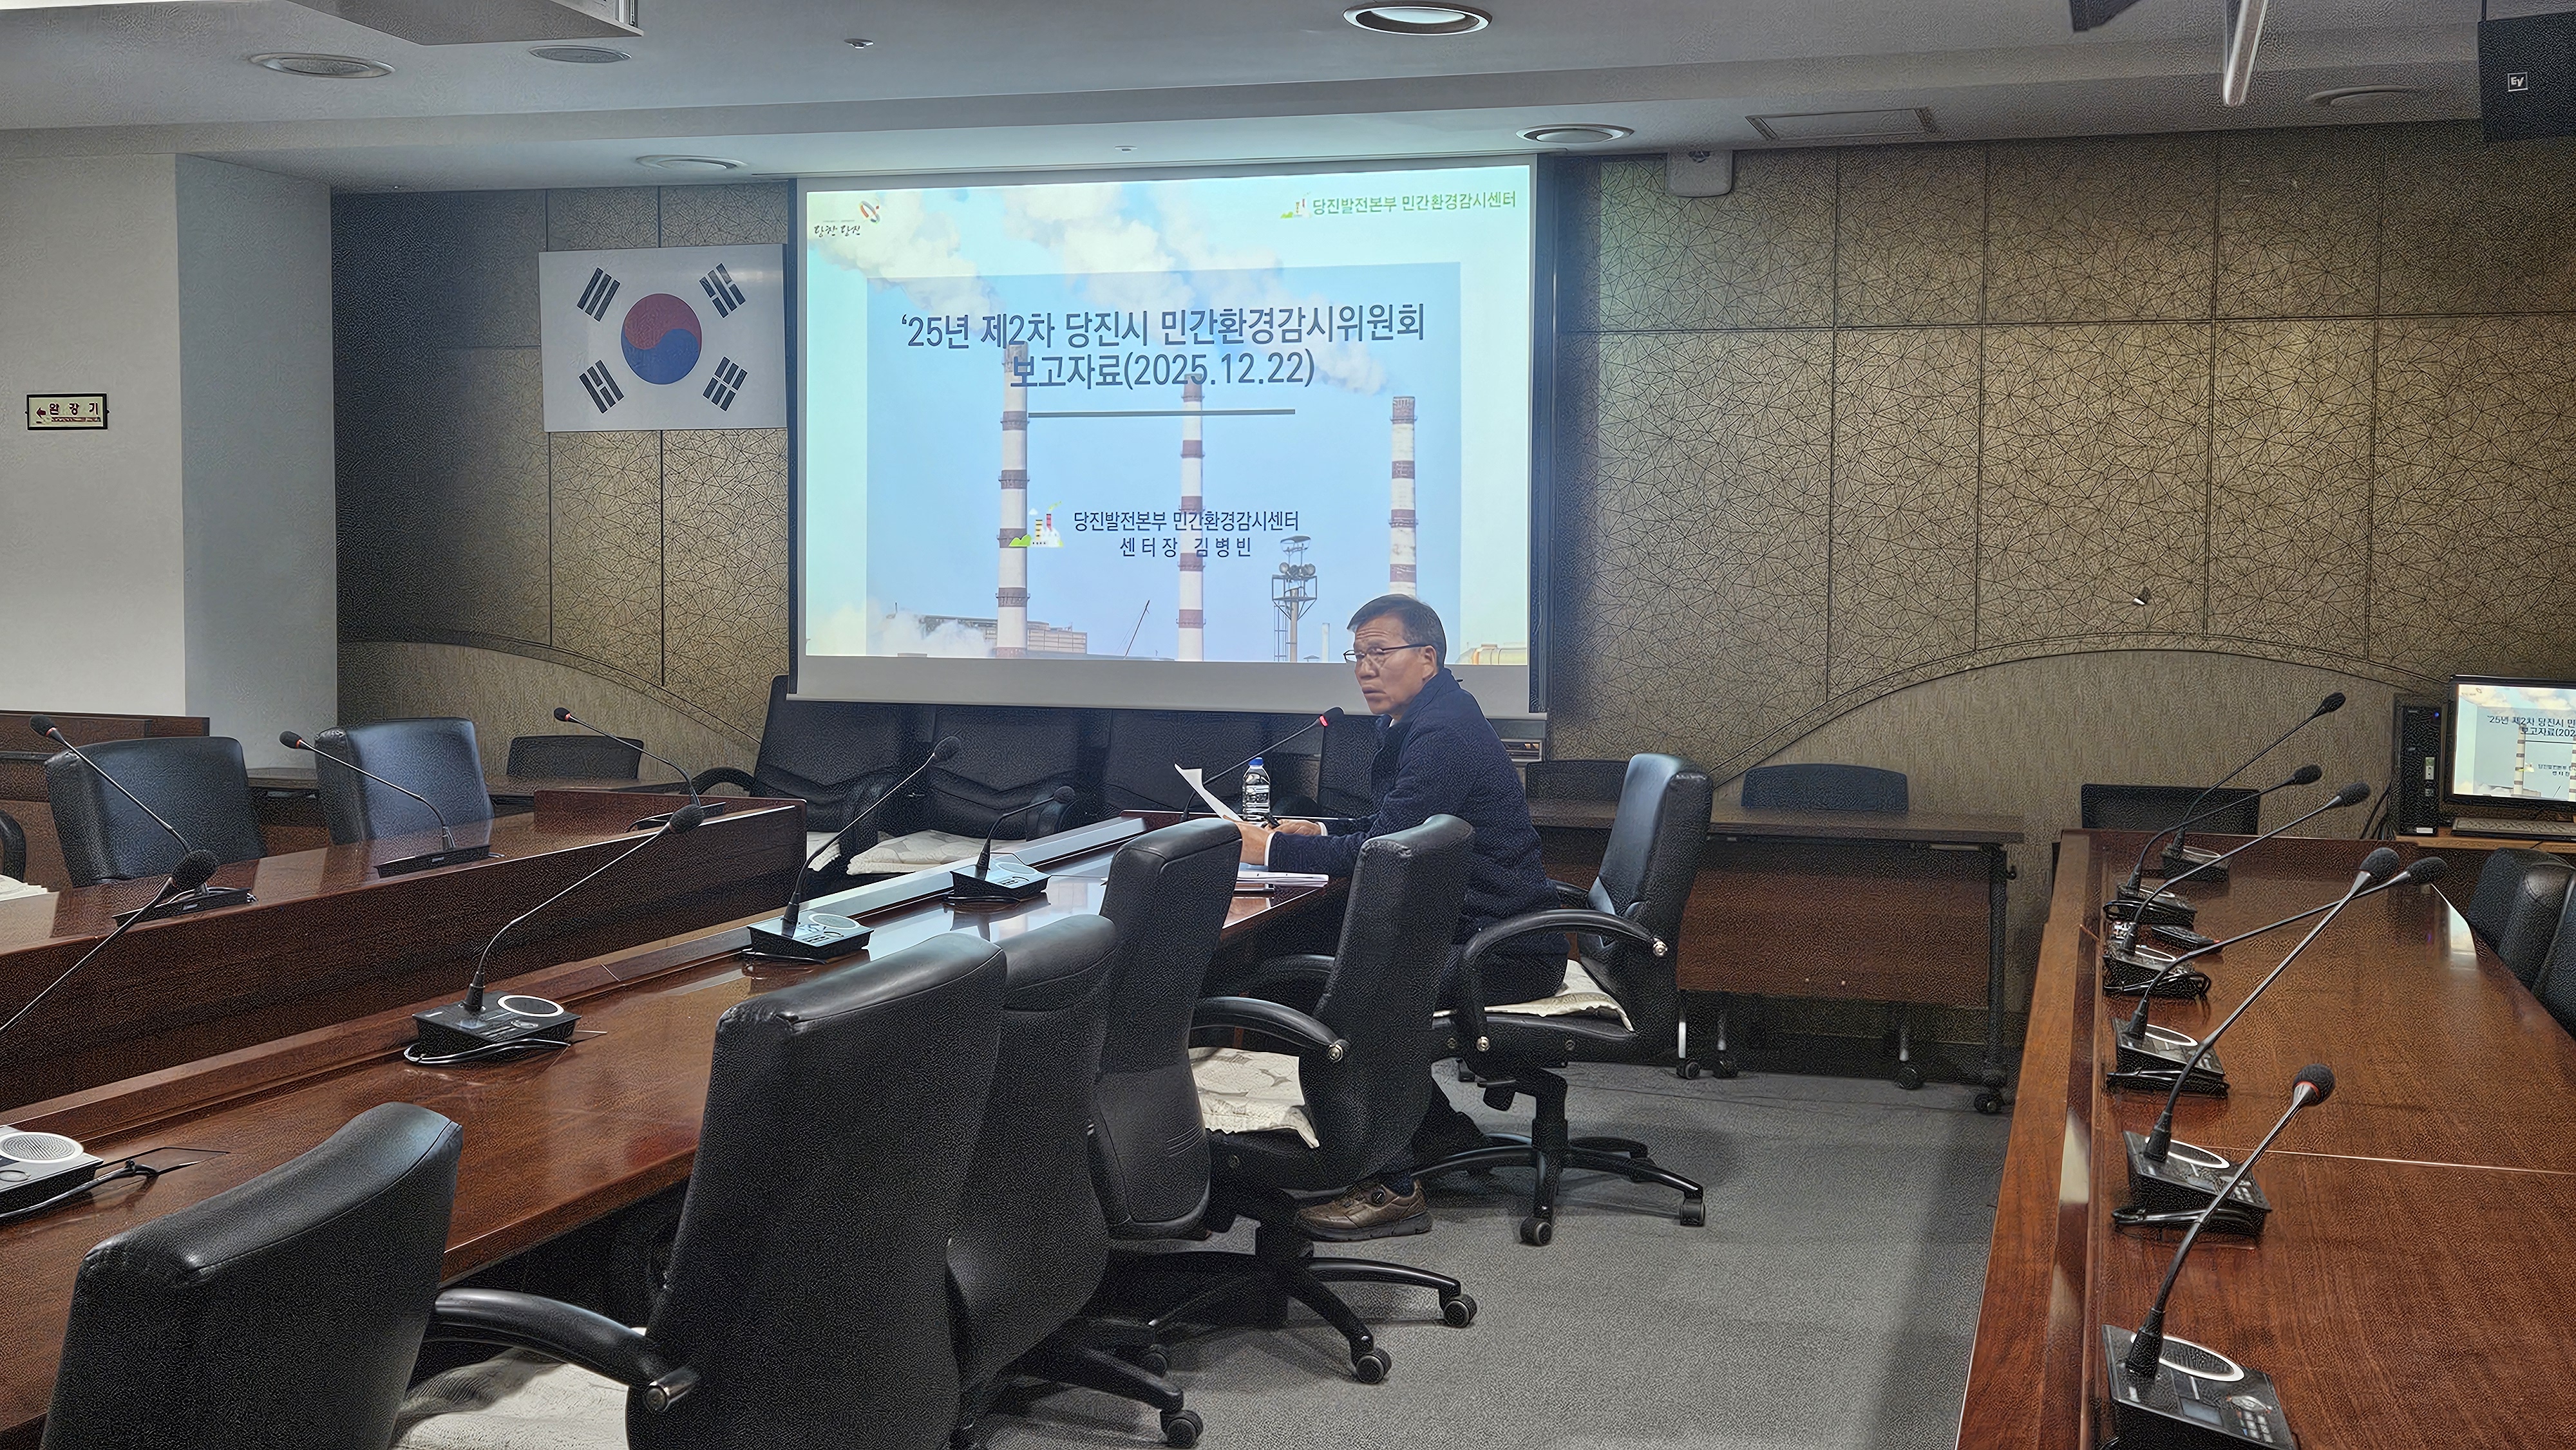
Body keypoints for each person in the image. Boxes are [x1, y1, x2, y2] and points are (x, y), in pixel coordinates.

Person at [1237, 594, 1558, 1240]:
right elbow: (1392, 826)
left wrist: (1268, 849)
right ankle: (1434, 1132)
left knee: (1356, 993)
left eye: (1380, 653)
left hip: (1500, 951)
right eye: (1357, 655)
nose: (1365, 668)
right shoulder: (1428, 717)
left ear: (1427, 658)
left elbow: (1385, 851)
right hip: (1473, 930)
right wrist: (1318, 829)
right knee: (1294, 956)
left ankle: (1394, 1180)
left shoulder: (1441, 734)